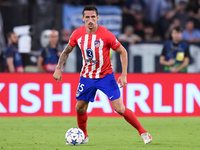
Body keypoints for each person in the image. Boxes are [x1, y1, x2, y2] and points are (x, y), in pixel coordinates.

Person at [53, 5, 152, 145]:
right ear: (83, 19)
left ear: (97, 18)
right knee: (79, 107)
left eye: (93, 17)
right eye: (87, 17)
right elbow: (66, 51)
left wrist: (124, 75)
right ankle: (84, 136)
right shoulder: (77, 34)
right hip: (86, 77)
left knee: (119, 108)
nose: (90, 20)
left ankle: (143, 132)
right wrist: (58, 68)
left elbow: (123, 51)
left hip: (106, 77)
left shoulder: (106, 34)